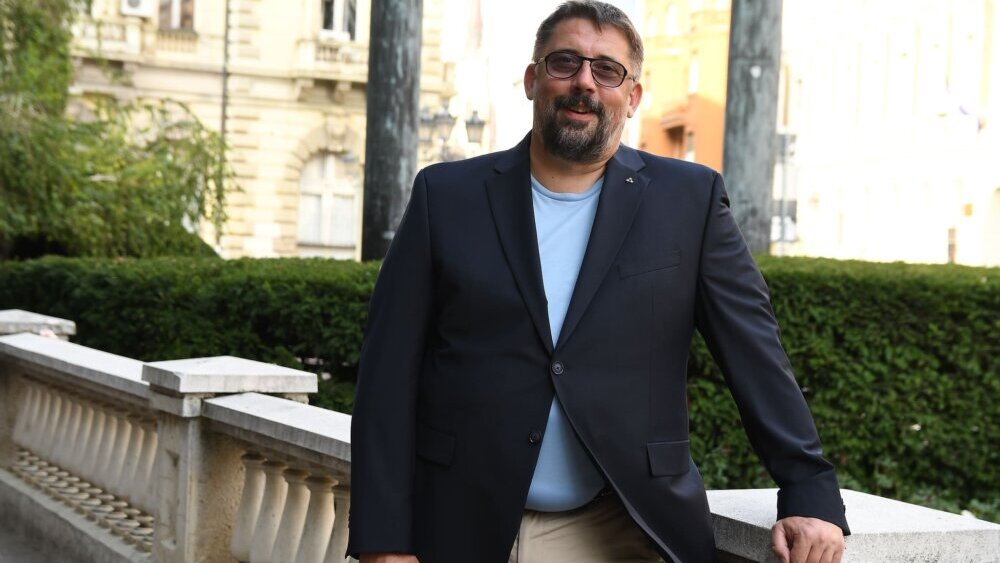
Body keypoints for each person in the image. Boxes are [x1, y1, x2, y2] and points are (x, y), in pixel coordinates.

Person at [347, 2, 850, 562]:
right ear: (532, 79)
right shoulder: (444, 196)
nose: (584, 81)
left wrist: (809, 490)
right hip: (460, 522)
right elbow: (387, 376)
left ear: (632, 96)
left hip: (619, 528)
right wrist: (382, 541)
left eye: (607, 70)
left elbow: (754, 355)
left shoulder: (690, 201)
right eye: (565, 62)